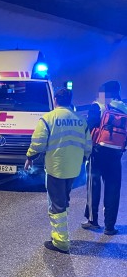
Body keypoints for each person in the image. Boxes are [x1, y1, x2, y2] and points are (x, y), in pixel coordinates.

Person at [24, 87, 91, 253]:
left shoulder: (48, 118)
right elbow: (88, 146)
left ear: (55, 100)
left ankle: (60, 242)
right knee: (64, 200)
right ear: (70, 100)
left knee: (56, 204)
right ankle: (61, 234)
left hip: (55, 168)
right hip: (74, 168)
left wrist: (30, 157)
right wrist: (84, 159)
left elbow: (38, 143)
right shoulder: (81, 120)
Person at [82, 80, 127, 235]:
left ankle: (93, 221)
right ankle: (110, 226)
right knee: (113, 188)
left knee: (93, 186)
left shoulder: (98, 106)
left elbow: (88, 126)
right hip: (116, 154)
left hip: (97, 152)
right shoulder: (124, 107)